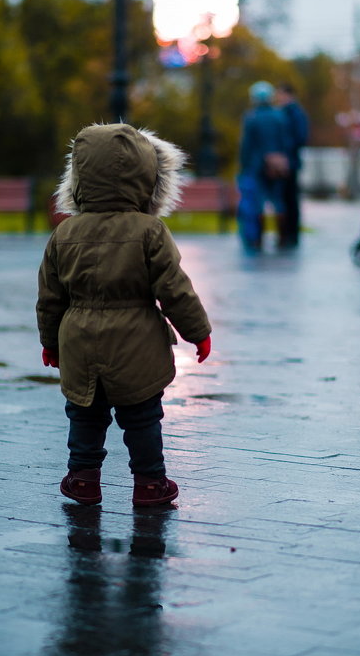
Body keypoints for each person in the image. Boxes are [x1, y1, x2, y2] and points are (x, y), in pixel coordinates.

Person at [36, 123, 211, 507]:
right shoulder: (150, 231)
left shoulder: (65, 234)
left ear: (79, 177)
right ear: (148, 177)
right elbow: (173, 288)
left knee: (84, 414)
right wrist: (197, 332)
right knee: (144, 417)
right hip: (138, 345)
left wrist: (50, 342)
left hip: (79, 342)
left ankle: (82, 477)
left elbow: (50, 296)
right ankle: (150, 483)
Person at [237, 81, 292, 251]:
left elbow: (246, 145)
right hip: (278, 167)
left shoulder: (252, 117)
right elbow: (286, 142)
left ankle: (258, 240)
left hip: (256, 166)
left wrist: (244, 165)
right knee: (278, 202)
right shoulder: (280, 116)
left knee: (257, 203)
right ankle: (282, 238)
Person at [275, 83, 310, 247]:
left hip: (290, 162)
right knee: (286, 199)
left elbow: (300, 137)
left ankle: (292, 234)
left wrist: (285, 154)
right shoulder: (286, 112)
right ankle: (288, 234)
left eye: (280, 95)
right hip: (287, 162)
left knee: (290, 199)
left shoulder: (294, 113)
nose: (278, 98)